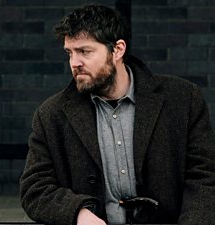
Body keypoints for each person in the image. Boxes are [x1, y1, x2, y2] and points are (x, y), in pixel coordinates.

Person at [20, 4, 215, 225]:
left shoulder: (182, 99)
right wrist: (77, 213)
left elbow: (205, 177)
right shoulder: (51, 115)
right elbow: (35, 189)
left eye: (84, 51)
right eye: (69, 53)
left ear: (118, 50)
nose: (74, 63)